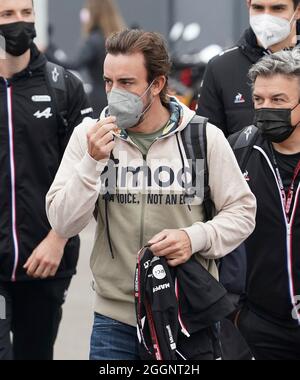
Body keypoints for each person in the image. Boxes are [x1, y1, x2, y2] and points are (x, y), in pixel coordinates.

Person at [46, 29, 257, 361]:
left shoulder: (203, 136)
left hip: (186, 316)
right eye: (107, 82)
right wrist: (91, 163)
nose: (114, 94)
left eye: (127, 83)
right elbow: (63, 222)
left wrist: (195, 237)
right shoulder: (88, 137)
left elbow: (243, 212)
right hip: (114, 320)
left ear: (157, 84)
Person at [0, 0, 92, 360]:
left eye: (26, 13)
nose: (18, 22)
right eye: (7, 14)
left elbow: (88, 174)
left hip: (47, 262)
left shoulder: (63, 86)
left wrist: (58, 239)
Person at [231, 49, 300, 360]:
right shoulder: (237, 150)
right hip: (258, 324)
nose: (266, 108)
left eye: (279, 100)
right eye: (259, 100)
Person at [197, 0, 300, 137]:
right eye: (258, 8)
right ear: (248, 6)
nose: (266, 17)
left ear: (297, 10)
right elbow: (202, 142)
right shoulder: (221, 67)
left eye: (277, 8)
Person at [52, 0, 126, 118]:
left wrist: (49, 55)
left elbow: (76, 64)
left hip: (100, 97)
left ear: (93, 13)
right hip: (121, 95)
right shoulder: (120, 39)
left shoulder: (94, 40)